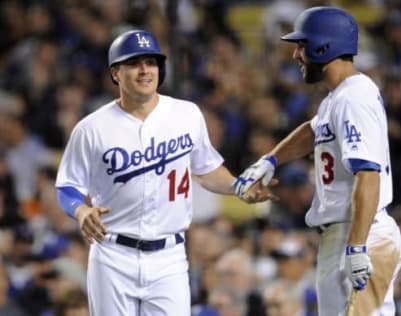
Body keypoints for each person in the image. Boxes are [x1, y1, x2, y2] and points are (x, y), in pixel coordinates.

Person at [55, 29, 274, 316]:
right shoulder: (92, 128)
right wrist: (81, 211)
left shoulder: (187, 114)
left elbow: (206, 169)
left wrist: (238, 187)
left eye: (151, 62)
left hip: (169, 255)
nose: (145, 70)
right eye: (134, 63)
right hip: (113, 253)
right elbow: (67, 186)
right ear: (115, 73)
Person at [234, 6, 401, 315]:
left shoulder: (355, 96)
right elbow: (312, 131)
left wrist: (356, 246)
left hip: (362, 232)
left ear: (323, 46)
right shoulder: (337, 98)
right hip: (341, 234)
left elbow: (368, 174)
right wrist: (271, 160)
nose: (296, 55)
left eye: (302, 45)